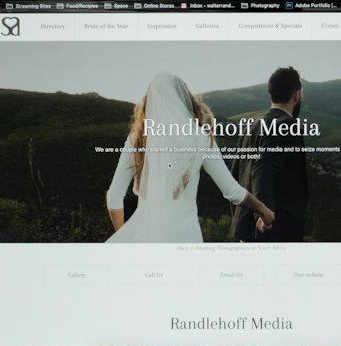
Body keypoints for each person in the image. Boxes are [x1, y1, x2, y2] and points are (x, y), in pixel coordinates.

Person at [105, 72, 274, 243]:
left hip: (145, 238)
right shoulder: (199, 137)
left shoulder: (138, 138)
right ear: (185, 102)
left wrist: (124, 234)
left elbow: (113, 198)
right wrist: (264, 212)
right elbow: (232, 191)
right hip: (186, 239)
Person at [228, 66, 310, 242]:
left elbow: (235, 178)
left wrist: (243, 225)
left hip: (246, 232)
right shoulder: (287, 125)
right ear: (296, 95)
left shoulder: (251, 126)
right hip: (273, 232)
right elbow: (262, 170)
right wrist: (264, 216)